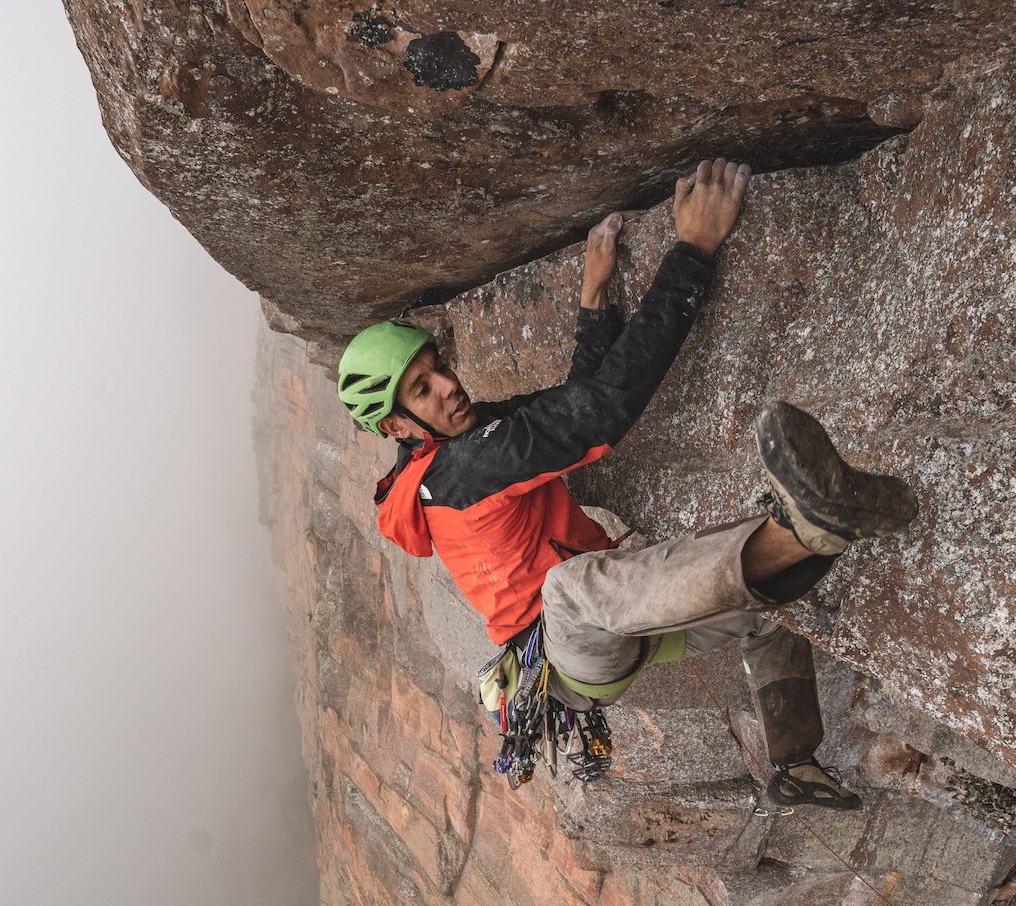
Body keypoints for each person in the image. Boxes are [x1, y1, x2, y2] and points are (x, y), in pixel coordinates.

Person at [337, 158, 917, 806]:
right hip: (573, 646)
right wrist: (692, 252)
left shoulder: (458, 445)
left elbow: (575, 406)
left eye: (438, 366)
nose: (449, 385)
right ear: (396, 425)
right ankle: (808, 528)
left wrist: (594, 300)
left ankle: (793, 760)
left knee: (761, 610)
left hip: (618, 638)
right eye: (422, 389)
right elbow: (603, 415)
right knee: (569, 587)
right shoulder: (462, 468)